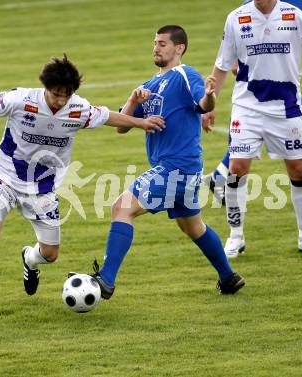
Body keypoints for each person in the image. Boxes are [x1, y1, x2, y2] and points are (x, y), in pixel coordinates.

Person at [0, 55, 165, 325]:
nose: (60, 100)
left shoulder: (79, 109)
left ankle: (29, 259)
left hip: (42, 189)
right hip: (4, 176)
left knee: (50, 254)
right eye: (55, 94)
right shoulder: (21, 99)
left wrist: (142, 123)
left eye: (66, 95)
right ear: (45, 87)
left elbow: (108, 117)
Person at [71, 25, 245, 301]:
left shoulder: (184, 75)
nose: (156, 47)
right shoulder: (149, 86)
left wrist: (211, 94)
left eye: (162, 43)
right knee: (192, 226)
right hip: (185, 170)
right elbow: (121, 126)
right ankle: (229, 277)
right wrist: (131, 99)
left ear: (179, 48)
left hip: (175, 167)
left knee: (121, 207)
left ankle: (106, 279)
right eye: (154, 43)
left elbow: (203, 104)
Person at [203, 0, 302, 258]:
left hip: (287, 109)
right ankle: (235, 237)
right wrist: (210, 105)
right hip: (247, 108)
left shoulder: (295, 16)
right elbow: (223, 64)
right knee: (237, 168)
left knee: (299, 170)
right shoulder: (236, 17)